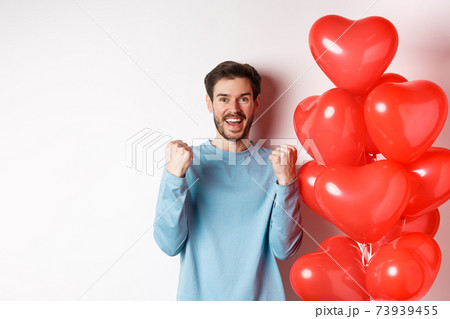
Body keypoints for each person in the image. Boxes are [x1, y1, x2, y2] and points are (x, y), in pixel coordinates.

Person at [153, 61, 303, 301]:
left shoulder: (276, 166)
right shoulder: (185, 163)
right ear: (209, 104)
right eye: (223, 99)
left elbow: (285, 250)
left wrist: (287, 183)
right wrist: (174, 177)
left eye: (243, 98)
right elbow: (169, 244)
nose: (234, 109)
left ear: (255, 103)